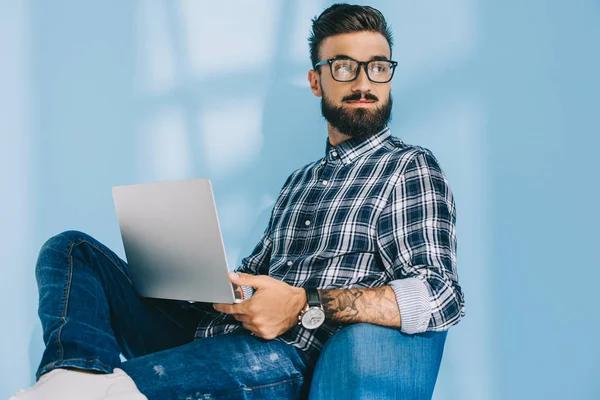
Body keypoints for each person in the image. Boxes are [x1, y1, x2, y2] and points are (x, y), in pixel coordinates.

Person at [11, 3, 464, 400]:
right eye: (344, 66)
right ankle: (71, 374)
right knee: (71, 250)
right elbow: (261, 275)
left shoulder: (410, 167)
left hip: (285, 356)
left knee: (119, 388)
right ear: (316, 80)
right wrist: (218, 284)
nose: (364, 82)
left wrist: (305, 303)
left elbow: (441, 295)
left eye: (378, 67)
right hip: (223, 332)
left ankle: (81, 389)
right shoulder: (299, 181)